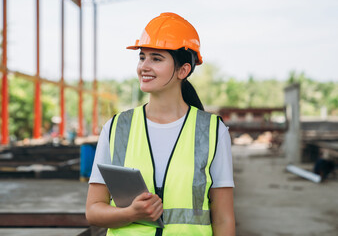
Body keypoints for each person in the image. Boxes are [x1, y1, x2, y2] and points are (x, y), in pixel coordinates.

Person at [86, 12, 235, 235]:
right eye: (142, 57)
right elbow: (93, 210)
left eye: (156, 58)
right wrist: (130, 214)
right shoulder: (117, 128)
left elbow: (223, 218)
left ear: (183, 70)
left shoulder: (212, 131)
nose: (144, 66)